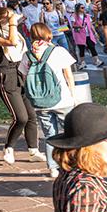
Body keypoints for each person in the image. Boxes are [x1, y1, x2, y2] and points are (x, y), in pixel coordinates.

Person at [23, 23, 77, 178]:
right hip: (62, 100)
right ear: (48, 35)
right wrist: (73, 95)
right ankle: (72, 162)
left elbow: (26, 78)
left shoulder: (28, 55)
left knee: (49, 135)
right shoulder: (58, 51)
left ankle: (52, 167)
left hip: (40, 102)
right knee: (69, 132)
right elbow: (68, 75)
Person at [0, 7, 41, 166]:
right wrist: (13, 24)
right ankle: (8, 148)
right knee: (21, 117)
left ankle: (33, 150)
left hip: (20, 73)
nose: (13, 19)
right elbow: (11, 43)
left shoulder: (17, 33)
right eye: (9, 17)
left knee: (31, 116)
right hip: (5, 75)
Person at [70, 3, 102, 68]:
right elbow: (72, 25)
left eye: (84, 7)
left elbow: (90, 25)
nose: (83, 9)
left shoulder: (87, 16)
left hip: (88, 34)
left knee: (92, 47)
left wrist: (95, 32)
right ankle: (82, 62)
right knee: (81, 48)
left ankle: (96, 60)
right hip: (79, 35)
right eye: (82, 8)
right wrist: (79, 26)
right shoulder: (74, 16)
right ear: (78, 9)